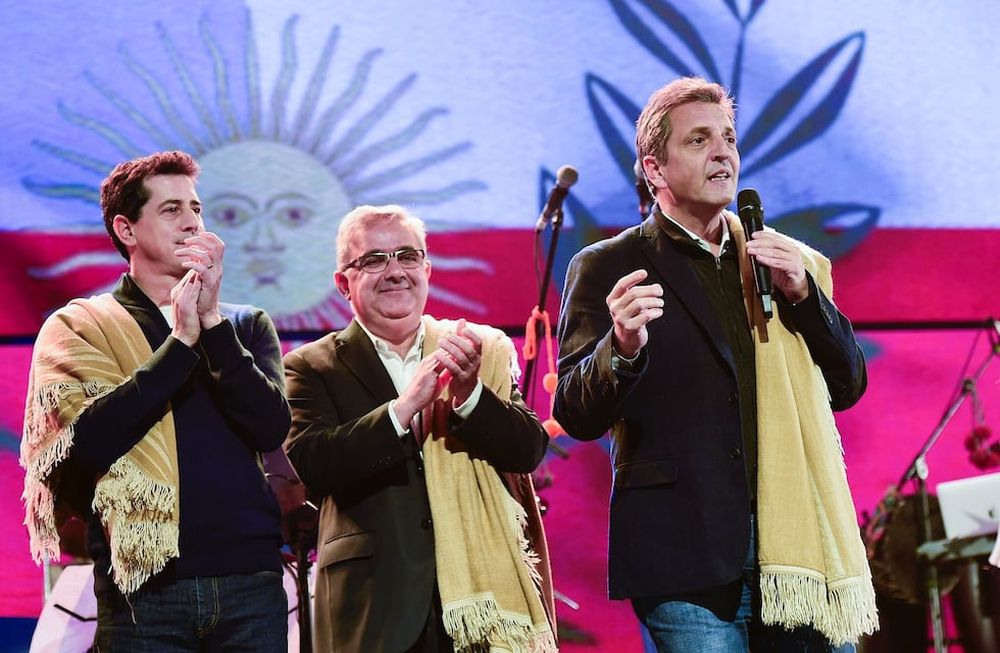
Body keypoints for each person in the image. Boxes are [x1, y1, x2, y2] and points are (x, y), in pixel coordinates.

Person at [553, 77, 878, 652]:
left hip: (797, 543)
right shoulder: (608, 264)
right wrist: (622, 346)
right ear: (655, 169)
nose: (723, 151)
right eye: (699, 140)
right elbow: (575, 414)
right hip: (684, 555)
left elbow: (848, 383)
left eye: (728, 137)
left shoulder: (784, 263)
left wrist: (804, 299)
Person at [20, 150, 291, 651]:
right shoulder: (81, 328)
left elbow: (270, 428)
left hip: (249, 580)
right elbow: (88, 442)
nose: (191, 222)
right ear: (126, 229)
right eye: (171, 210)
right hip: (144, 588)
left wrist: (210, 326)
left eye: (196, 208)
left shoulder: (245, 324)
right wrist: (178, 345)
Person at [282, 204, 555, 653]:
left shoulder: (477, 350)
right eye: (373, 259)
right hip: (374, 602)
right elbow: (312, 466)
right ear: (343, 283)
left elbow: (527, 450)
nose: (395, 271)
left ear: (426, 268)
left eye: (408, 256)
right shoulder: (311, 365)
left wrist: (469, 394)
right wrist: (404, 407)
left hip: (477, 600)